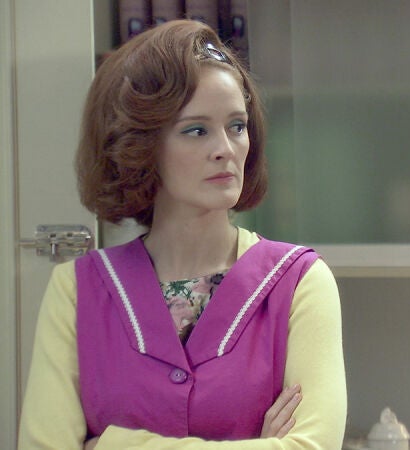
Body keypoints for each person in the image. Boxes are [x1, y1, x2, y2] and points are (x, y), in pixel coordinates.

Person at [18, 20, 346, 449]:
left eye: (237, 126)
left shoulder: (301, 281)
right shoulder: (76, 290)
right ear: (141, 147)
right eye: (196, 130)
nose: (225, 149)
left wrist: (113, 446)